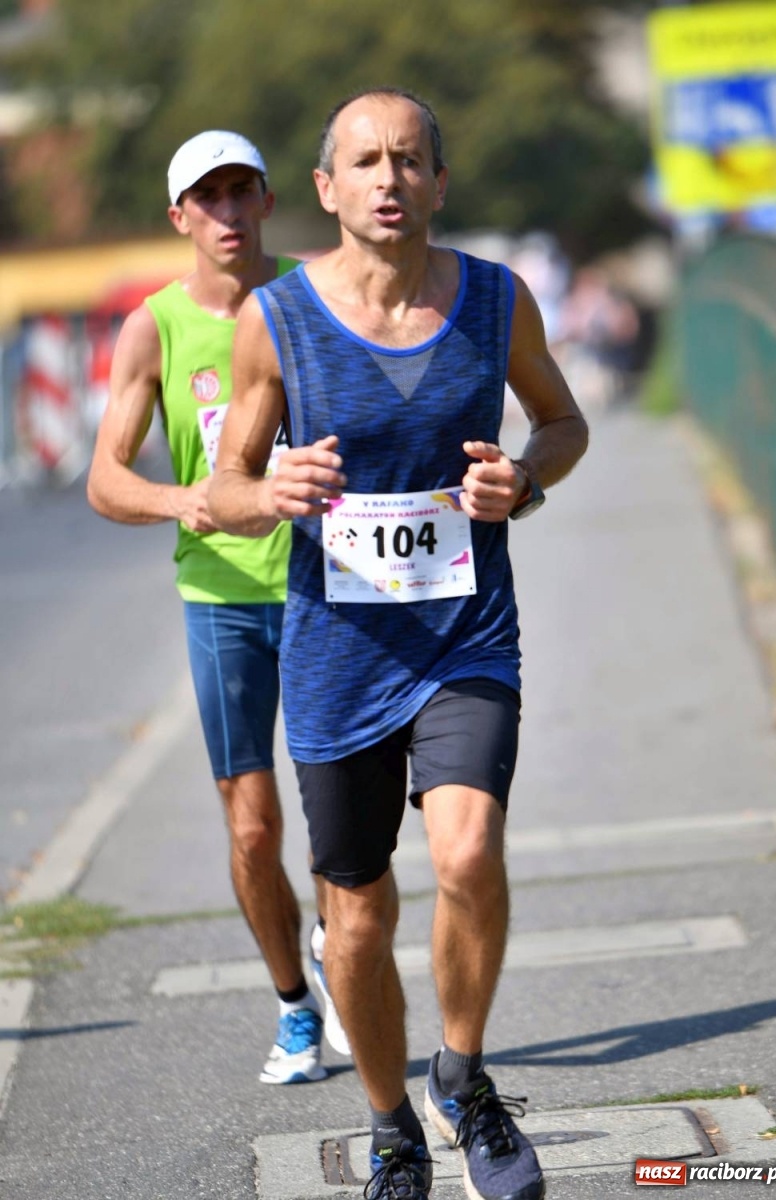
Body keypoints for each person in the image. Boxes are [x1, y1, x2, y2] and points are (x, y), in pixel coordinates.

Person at [208, 89, 588, 1200]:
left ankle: (461, 1079)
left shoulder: (492, 300)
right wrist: (267, 488)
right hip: (336, 659)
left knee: (468, 855)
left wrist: (521, 479)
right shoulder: (273, 320)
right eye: (364, 161)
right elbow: (225, 486)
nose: (388, 178)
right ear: (325, 191)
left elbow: (560, 423)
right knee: (358, 921)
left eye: (409, 160)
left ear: (437, 182)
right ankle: (390, 1128)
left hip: (465, 635)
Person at [86, 129, 349, 1085]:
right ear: (179, 217)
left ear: (271, 202)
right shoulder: (153, 327)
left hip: (326, 584)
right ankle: (293, 1010)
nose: (228, 214)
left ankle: (344, 953)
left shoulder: (314, 296)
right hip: (222, 599)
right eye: (209, 200)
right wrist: (180, 499)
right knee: (251, 828)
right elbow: (104, 479)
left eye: (243, 194)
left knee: (339, 814)